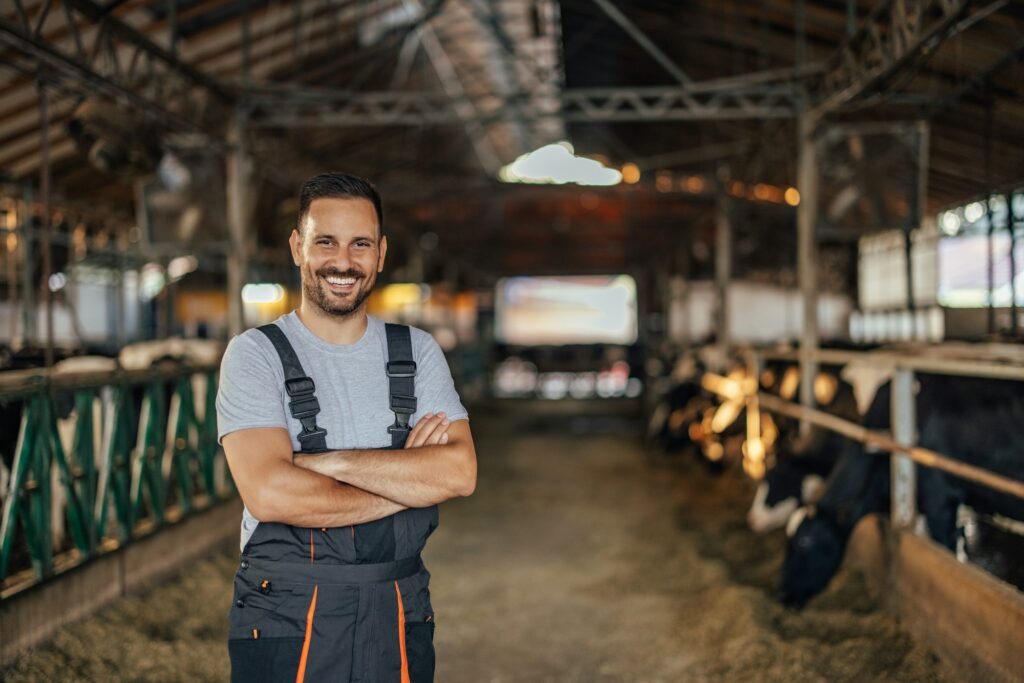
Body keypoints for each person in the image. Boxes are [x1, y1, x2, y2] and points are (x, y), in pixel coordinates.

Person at [216, 172, 477, 683]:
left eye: (360, 244)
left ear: (380, 254)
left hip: (398, 606)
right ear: (298, 247)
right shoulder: (254, 355)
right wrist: (411, 483)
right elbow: (270, 495)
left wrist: (330, 464)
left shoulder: (417, 352)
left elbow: (460, 472)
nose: (343, 262)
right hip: (288, 612)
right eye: (325, 242)